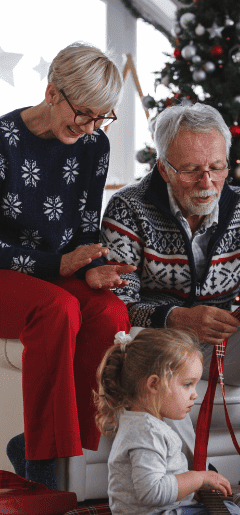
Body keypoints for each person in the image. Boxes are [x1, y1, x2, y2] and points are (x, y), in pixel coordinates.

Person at [101, 103, 240, 488]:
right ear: (164, 168)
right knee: (152, 350)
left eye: (217, 167)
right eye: (191, 170)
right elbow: (117, 305)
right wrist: (176, 318)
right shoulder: (129, 209)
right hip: (158, 343)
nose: (206, 182)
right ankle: (189, 479)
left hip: (221, 343)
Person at [0, 42, 134, 489]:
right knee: (58, 310)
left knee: (110, 311)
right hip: (8, 272)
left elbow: (82, 227)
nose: (93, 127)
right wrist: (57, 266)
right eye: (85, 114)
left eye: (102, 117)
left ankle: (71, 456)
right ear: (52, 92)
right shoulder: (2, 142)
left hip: (52, 271)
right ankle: (45, 471)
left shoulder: (93, 145)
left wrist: (87, 270)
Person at [95, 328, 240, 515]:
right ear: (154, 384)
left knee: (229, 513)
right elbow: (152, 492)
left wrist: (189, 488)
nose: (194, 394)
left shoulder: (141, 423)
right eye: (187, 384)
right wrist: (197, 478)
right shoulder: (147, 432)